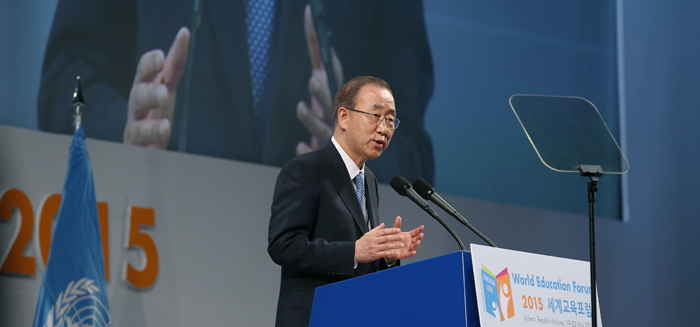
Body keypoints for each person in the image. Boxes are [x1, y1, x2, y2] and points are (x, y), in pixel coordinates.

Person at [38, 0, 435, 184]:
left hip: (320, 267)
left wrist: (355, 146)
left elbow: (413, 151)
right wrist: (123, 132)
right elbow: (65, 85)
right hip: (152, 237)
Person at [268, 76, 424, 327]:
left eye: (391, 120)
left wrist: (387, 256)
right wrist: (354, 251)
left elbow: (362, 262)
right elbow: (283, 244)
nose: (384, 128)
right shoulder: (306, 169)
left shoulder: (369, 181)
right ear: (343, 116)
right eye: (376, 115)